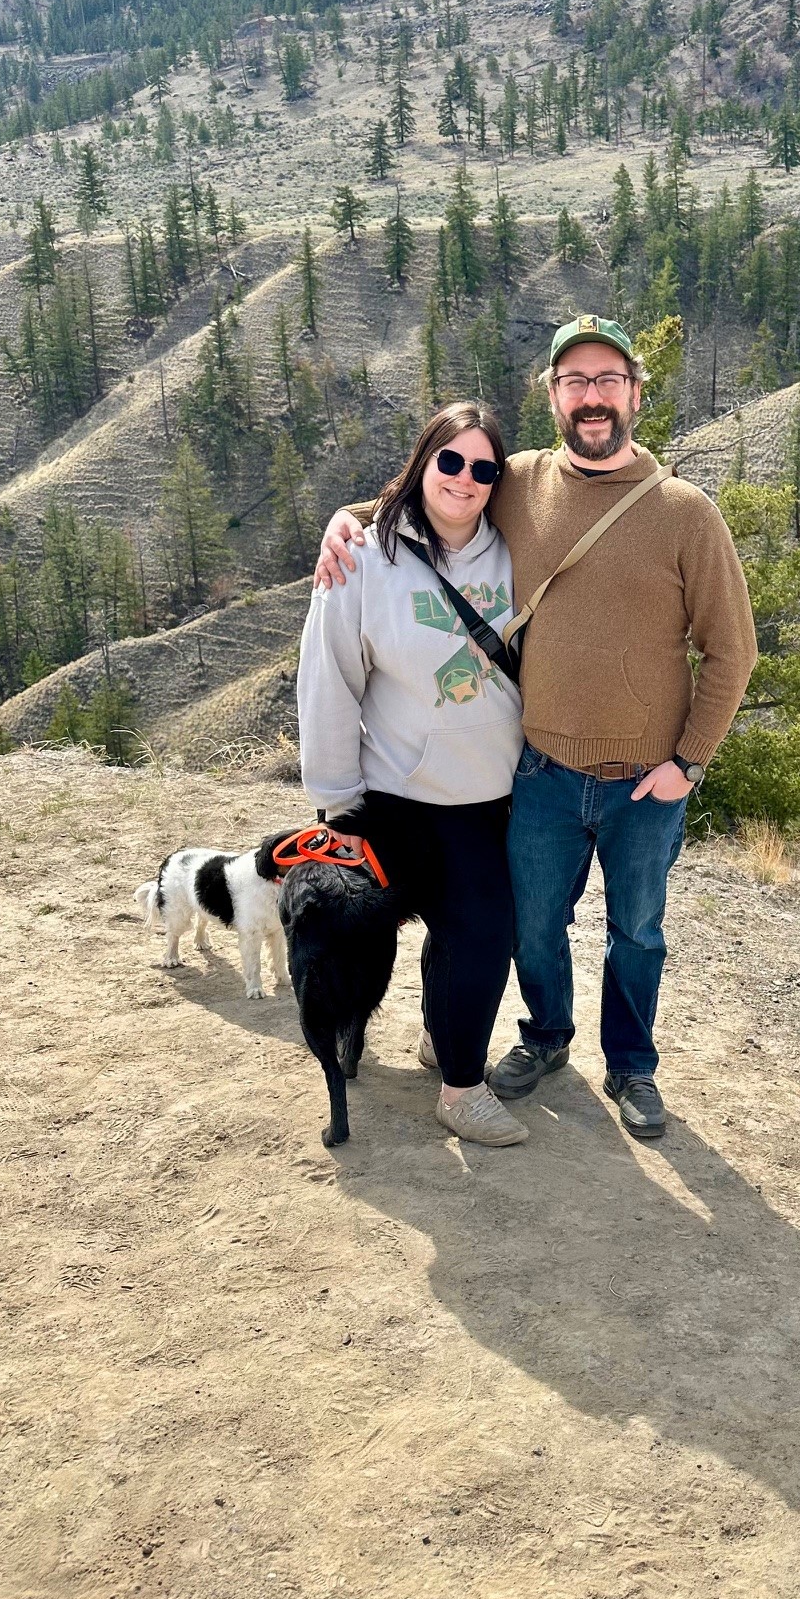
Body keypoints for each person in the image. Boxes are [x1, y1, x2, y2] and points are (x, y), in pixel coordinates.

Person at [315, 315, 758, 1141]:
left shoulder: (685, 512)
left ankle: (632, 1067)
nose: (593, 398)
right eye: (575, 382)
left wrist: (688, 764)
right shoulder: (517, 481)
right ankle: (547, 1038)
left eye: (608, 381)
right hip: (542, 774)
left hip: (645, 781)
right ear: (553, 396)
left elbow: (733, 653)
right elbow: (433, 487)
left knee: (638, 933)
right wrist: (344, 521)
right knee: (533, 929)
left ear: (634, 392)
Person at [298, 400, 531, 1148]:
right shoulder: (361, 559)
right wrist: (334, 802)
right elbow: (329, 679)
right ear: (423, 462)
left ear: (500, 480)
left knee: (480, 934)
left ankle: (449, 1056)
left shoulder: (519, 547)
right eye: (450, 460)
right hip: (394, 795)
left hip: (488, 798)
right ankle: (463, 1090)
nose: (465, 478)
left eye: (483, 467)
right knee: (422, 932)